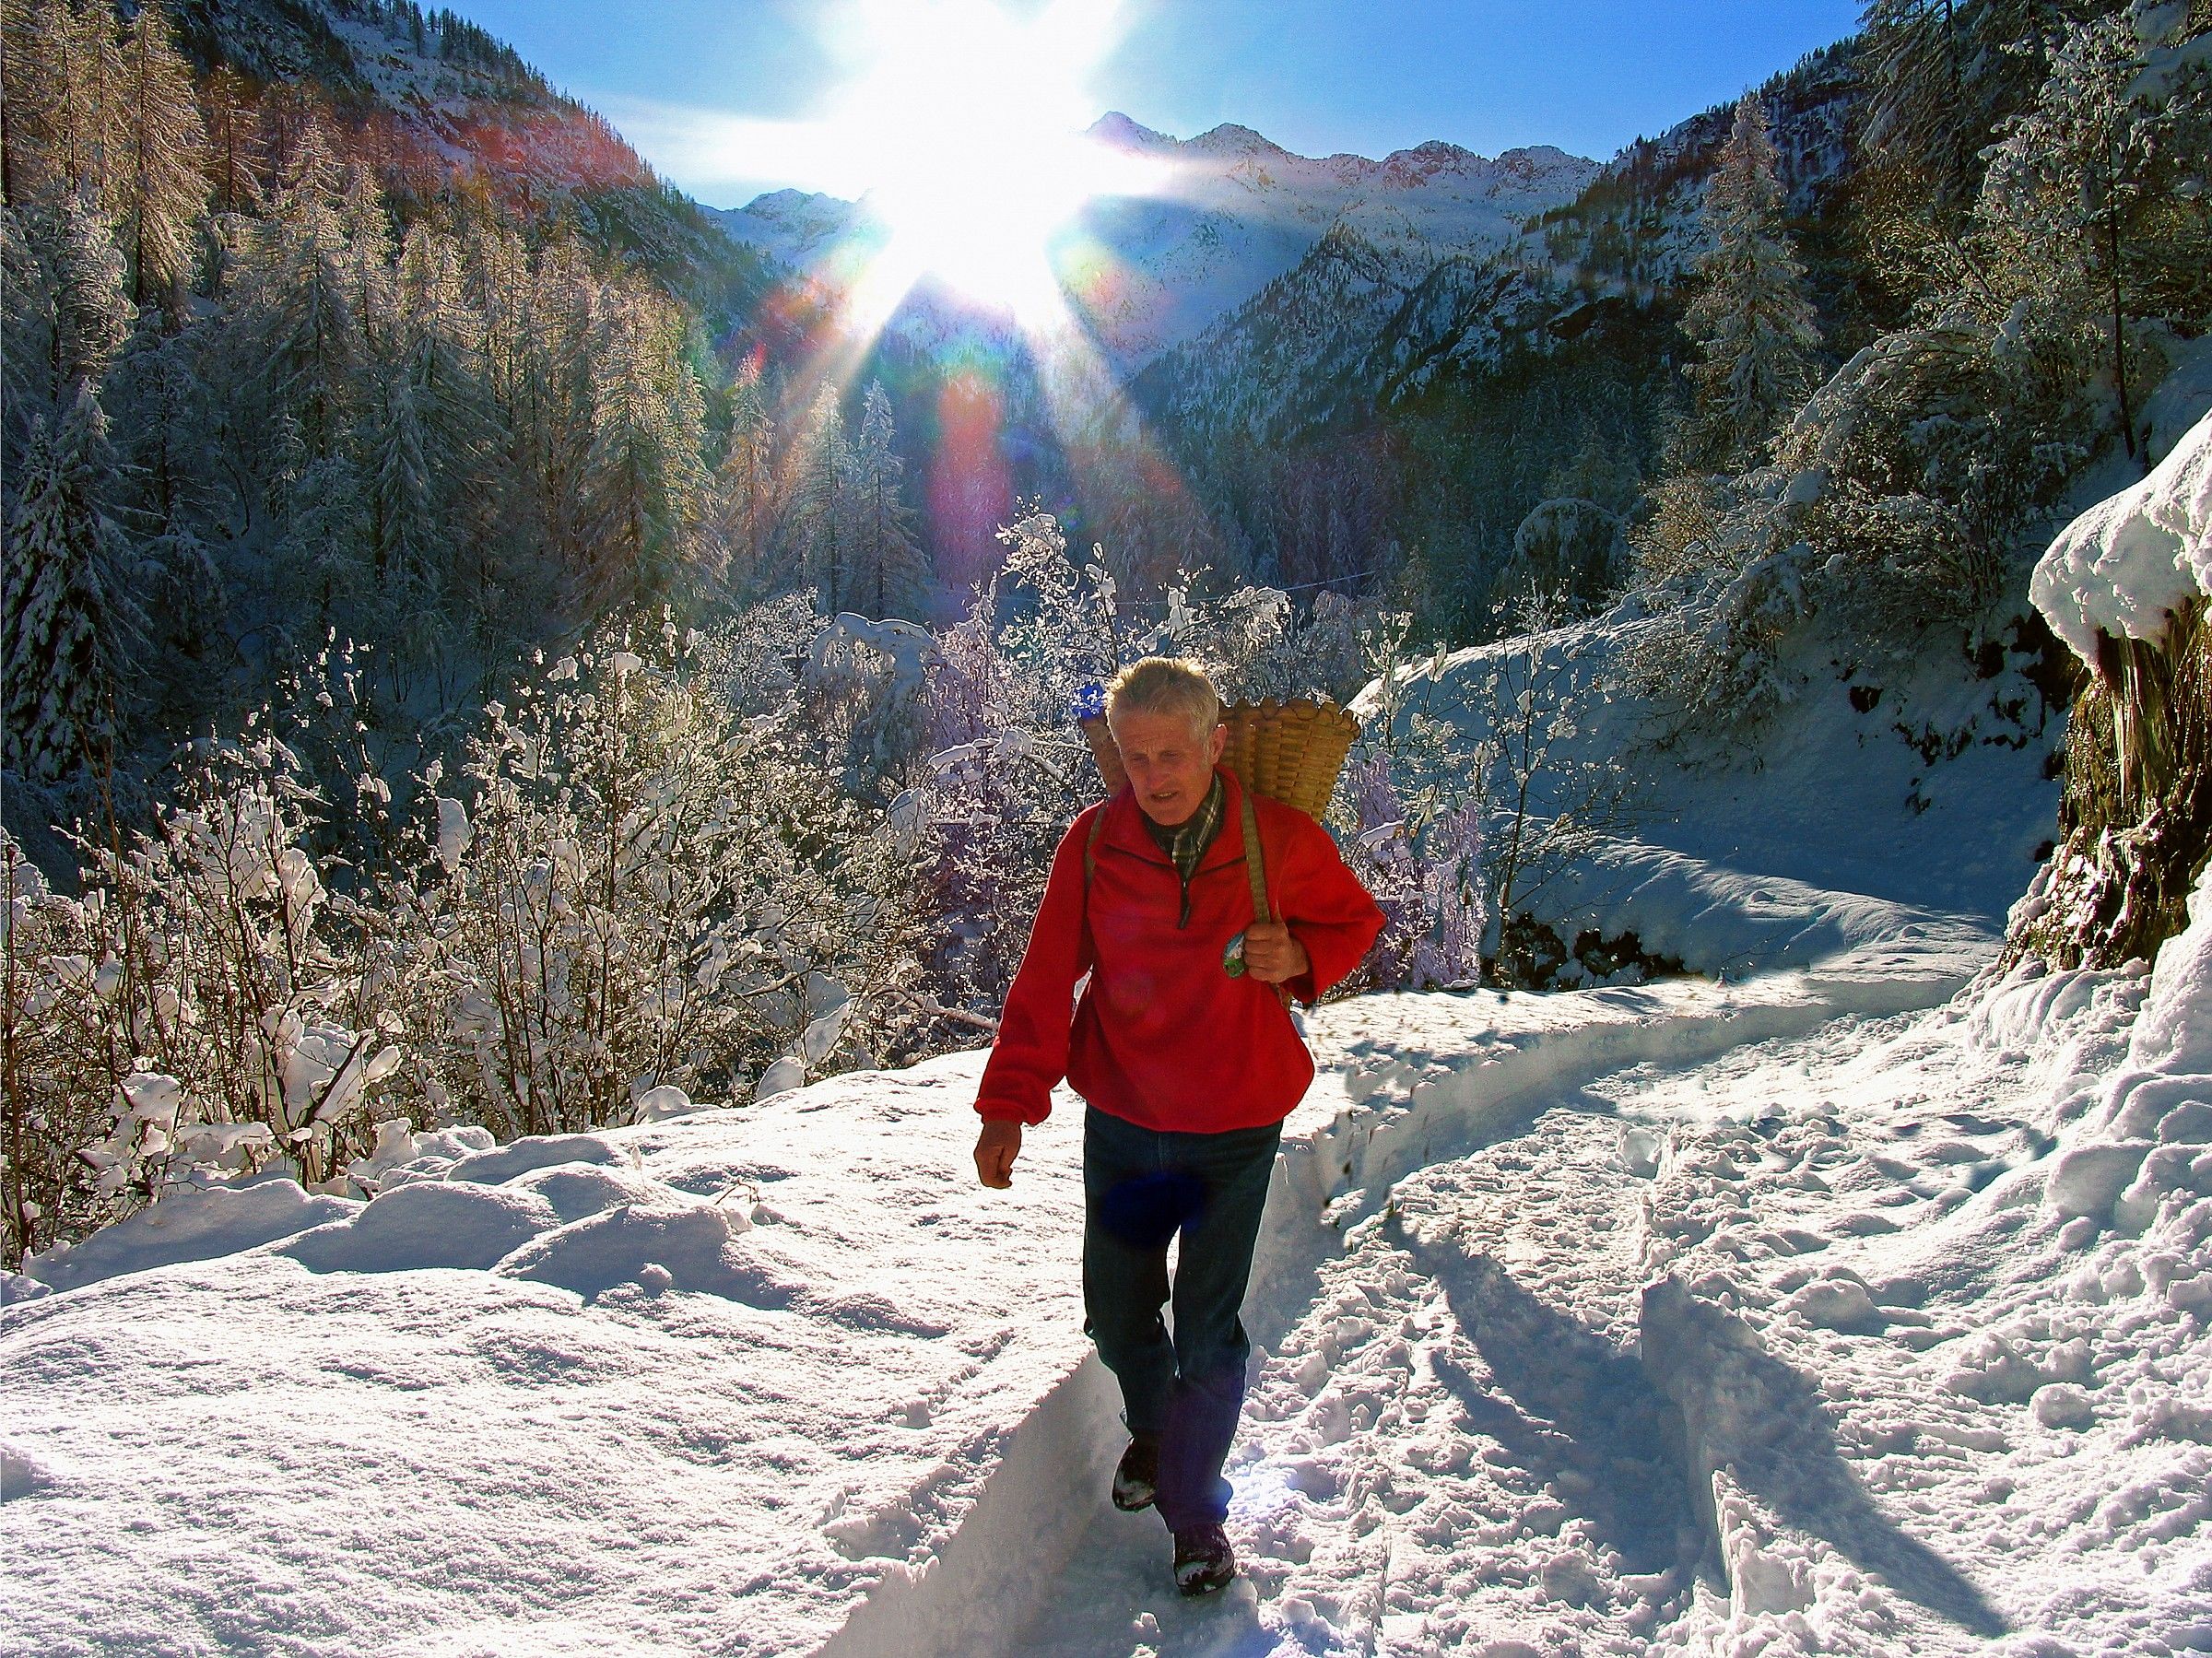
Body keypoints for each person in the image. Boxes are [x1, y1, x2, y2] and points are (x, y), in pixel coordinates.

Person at [971, 657, 1385, 1596]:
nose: (1153, 775)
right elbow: (1045, 980)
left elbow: (1355, 920)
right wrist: (1009, 1101)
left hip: (1234, 1123)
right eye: (1135, 756)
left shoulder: (1276, 838)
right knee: (1117, 1314)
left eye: (1171, 754)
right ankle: (1157, 1432)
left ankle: (1196, 1518)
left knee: (1207, 1329)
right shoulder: (1092, 844)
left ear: (1216, 743)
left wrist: (1303, 952)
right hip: (1122, 1117)